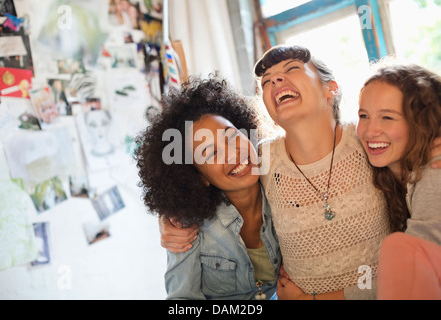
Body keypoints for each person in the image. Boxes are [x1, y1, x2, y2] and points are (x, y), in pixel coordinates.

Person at [160, 45, 441, 300]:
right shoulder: (262, 161)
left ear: (330, 87)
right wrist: (171, 217)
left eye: (291, 69)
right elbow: (206, 176)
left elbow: (418, 142)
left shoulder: (368, 139)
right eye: (266, 81)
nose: (275, 81)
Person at [134, 75, 281, 300]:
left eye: (232, 136)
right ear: (199, 177)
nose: (233, 153)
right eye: (211, 153)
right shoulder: (187, 227)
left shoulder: (284, 184)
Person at [356, 62, 441, 299]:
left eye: (387, 117)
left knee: (396, 249)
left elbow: (415, 274)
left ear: (421, 122)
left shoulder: (435, 171)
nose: (370, 131)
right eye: (364, 115)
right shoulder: (386, 174)